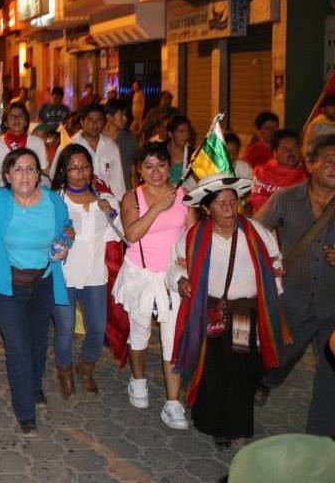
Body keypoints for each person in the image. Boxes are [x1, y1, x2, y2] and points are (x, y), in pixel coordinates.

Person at [168, 174, 288, 448]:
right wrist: (180, 280)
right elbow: (175, 267)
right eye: (221, 203)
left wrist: (272, 300)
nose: (229, 209)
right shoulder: (193, 237)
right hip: (208, 312)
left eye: (233, 202)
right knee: (212, 368)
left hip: (244, 314)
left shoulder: (256, 232)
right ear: (207, 209)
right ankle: (214, 424)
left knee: (242, 369)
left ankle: (238, 426)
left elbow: (275, 263)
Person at [0, 147, 72, 435]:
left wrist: (66, 240)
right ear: (7, 176)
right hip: (6, 286)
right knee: (18, 348)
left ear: (39, 175)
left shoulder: (52, 202)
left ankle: (34, 386)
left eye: (31, 169)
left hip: (43, 283)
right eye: (18, 169)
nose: (25, 174)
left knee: (37, 343)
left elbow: (68, 228)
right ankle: (25, 411)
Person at [254, 133, 335, 436]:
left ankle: (321, 440)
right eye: (328, 160)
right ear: (310, 163)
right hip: (293, 303)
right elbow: (254, 233)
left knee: (331, 377)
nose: (334, 166)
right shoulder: (286, 199)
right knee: (278, 358)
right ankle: (266, 380)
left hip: (332, 307)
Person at [114, 142, 196, 429]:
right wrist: (159, 207)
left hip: (172, 276)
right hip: (141, 273)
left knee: (173, 338)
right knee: (141, 330)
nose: (156, 172)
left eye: (161, 165)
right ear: (139, 170)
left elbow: (192, 235)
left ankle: (173, 403)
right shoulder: (132, 197)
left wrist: (186, 259)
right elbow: (132, 233)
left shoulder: (183, 195)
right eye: (148, 166)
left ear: (168, 166)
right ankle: (137, 380)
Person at [50, 144, 120, 399]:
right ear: (64, 171)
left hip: (95, 276)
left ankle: (86, 367)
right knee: (65, 329)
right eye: (73, 168)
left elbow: (117, 237)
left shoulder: (107, 199)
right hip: (64, 275)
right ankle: (65, 372)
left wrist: (111, 213)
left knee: (97, 328)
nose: (80, 173)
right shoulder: (55, 199)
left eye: (85, 167)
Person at [56, 104, 127, 197]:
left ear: (104, 122)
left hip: (106, 200)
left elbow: (118, 182)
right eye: (90, 120)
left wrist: (118, 204)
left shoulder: (111, 147)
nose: (94, 124)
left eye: (99, 120)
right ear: (82, 122)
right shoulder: (69, 144)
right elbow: (56, 176)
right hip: (75, 199)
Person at [249, 129, 307, 213]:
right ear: (275, 152)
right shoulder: (261, 173)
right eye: (285, 148)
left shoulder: (308, 173)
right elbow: (258, 202)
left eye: (294, 147)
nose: (291, 152)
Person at [0, 103, 48, 177]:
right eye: (12, 116)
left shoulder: (38, 143)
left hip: (30, 187)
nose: (16, 119)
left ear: (26, 122)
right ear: (5, 122)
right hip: (4, 187)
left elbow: (43, 169)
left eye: (20, 116)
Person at [104, 99, 138, 190]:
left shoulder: (129, 139)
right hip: (102, 190)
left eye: (125, 115)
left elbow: (133, 170)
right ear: (109, 117)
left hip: (123, 188)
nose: (125, 119)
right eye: (121, 115)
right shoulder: (98, 138)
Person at [166, 116, 194, 185]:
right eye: (181, 131)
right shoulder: (160, 151)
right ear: (170, 134)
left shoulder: (193, 155)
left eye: (187, 131)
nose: (186, 135)